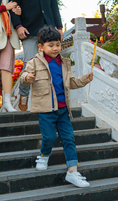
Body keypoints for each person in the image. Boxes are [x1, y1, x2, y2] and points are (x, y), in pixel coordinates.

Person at [21, 26, 94, 188]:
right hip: (45, 110)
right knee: (50, 137)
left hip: (63, 110)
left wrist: (85, 79)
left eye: (58, 45)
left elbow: (71, 83)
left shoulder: (65, 63)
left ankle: (72, 171)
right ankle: (44, 155)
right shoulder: (34, 62)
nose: (55, 48)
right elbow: (23, 76)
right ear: (41, 47)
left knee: (69, 138)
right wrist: (28, 78)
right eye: (51, 45)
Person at [9, 0, 64, 111]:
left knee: (50, 64)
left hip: (48, 28)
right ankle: (24, 95)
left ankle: (50, 98)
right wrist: (18, 26)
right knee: (29, 63)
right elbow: (13, 5)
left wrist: (59, 26)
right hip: (29, 29)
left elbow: (53, 4)